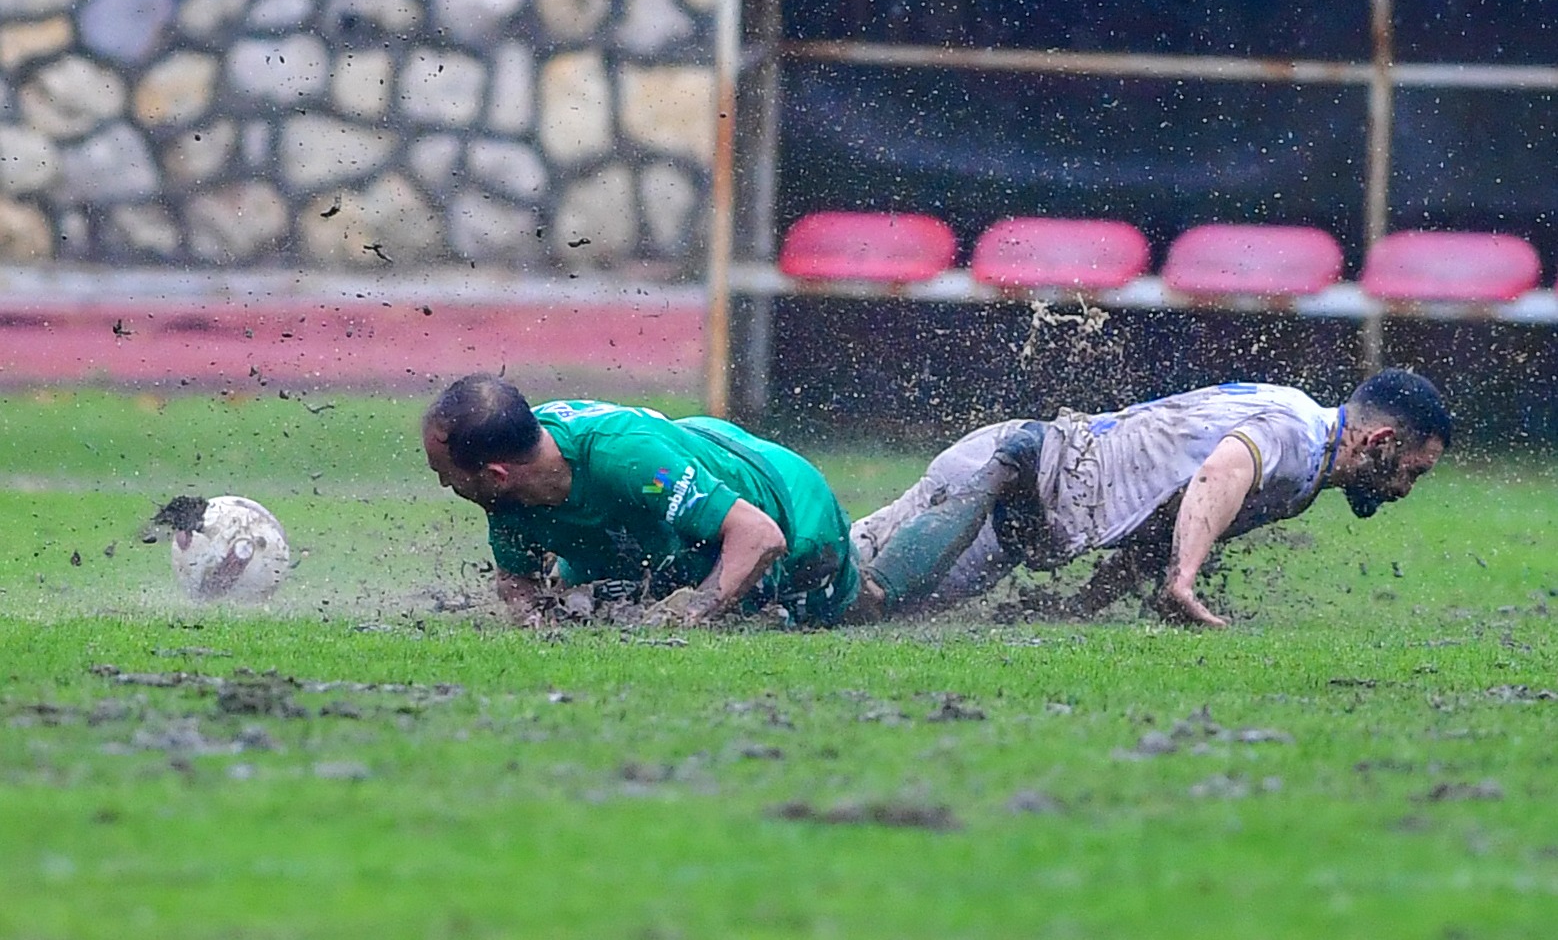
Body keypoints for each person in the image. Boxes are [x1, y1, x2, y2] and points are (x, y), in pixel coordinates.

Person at [849, 369, 1452, 627]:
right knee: (862, 602)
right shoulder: (1299, 437)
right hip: (1009, 473)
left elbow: (1163, 527)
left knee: (844, 581)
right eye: (1413, 472)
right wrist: (1184, 581)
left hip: (1018, 497)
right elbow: (1221, 472)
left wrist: (1080, 607)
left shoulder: (1304, 454)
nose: (1404, 490)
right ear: (1381, 441)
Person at [422, 374, 860, 627]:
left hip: (789, 502)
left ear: (495, 476)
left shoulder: (630, 464)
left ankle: (902, 527)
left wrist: (687, 616)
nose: (444, 485)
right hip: (679, 460)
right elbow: (519, 583)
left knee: (859, 603)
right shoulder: (514, 481)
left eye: (447, 474)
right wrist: (537, 620)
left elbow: (759, 536)